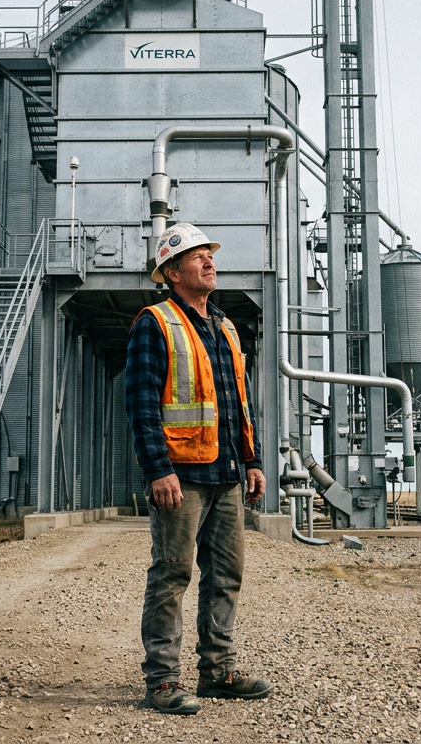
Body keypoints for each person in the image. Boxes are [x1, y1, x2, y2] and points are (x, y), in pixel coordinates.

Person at [125, 222, 273, 715]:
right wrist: (158, 469)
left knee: (226, 575)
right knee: (171, 575)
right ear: (171, 272)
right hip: (181, 475)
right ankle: (163, 681)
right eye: (197, 257)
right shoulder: (156, 322)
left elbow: (237, 404)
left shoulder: (226, 327)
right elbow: (142, 403)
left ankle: (218, 671)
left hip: (226, 473)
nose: (209, 262)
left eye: (209, 255)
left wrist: (251, 461)